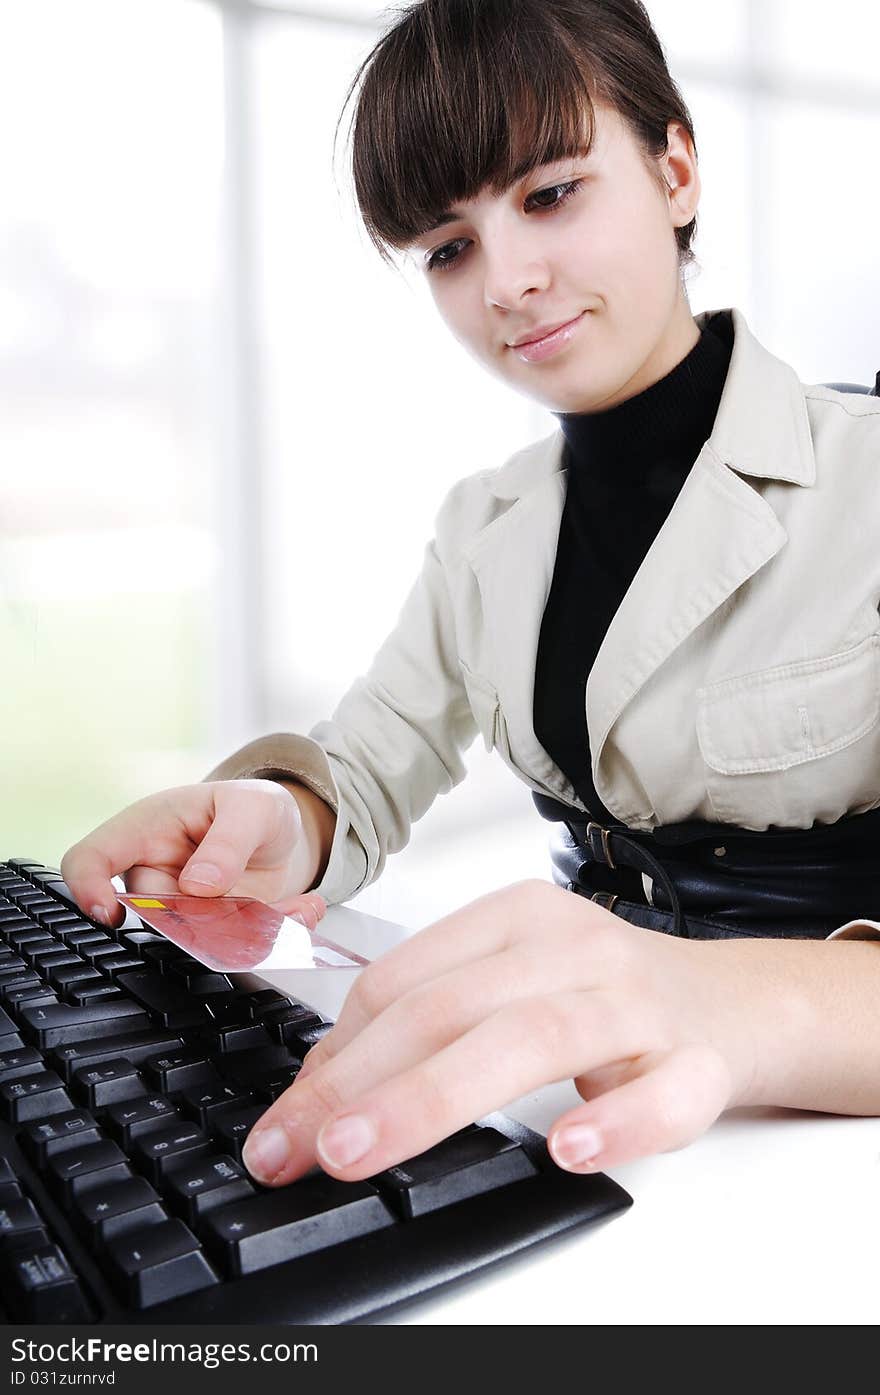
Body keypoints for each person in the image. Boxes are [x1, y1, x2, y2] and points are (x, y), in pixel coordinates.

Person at [62, 0, 880, 1193]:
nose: (508, 280)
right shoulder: (484, 527)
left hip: (822, 1139)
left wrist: (715, 996)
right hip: (570, 1113)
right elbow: (365, 766)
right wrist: (270, 818)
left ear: (676, 168)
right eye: (448, 247)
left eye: (550, 194)